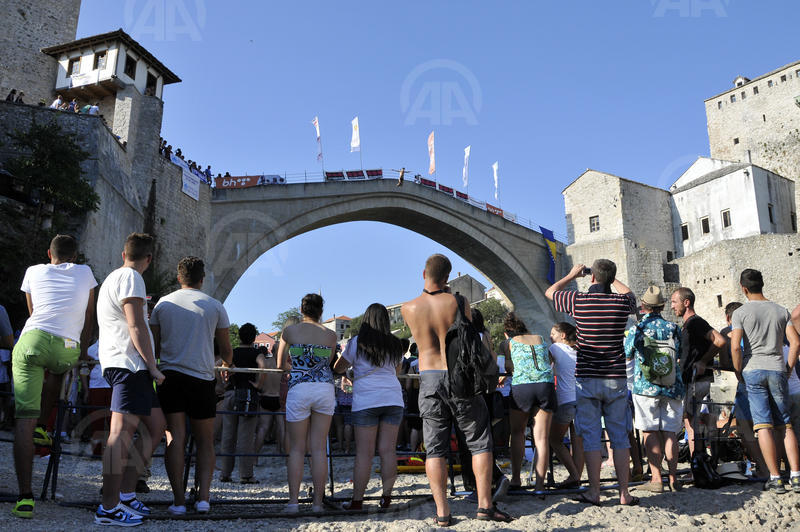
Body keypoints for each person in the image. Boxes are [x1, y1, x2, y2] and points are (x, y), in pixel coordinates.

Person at [401, 254, 512, 524]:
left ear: (423, 274)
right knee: (479, 443)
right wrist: (451, 296)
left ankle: (443, 513)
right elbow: (466, 331)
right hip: (459, 378)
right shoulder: (459, 302)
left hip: (429, 378)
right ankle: (485, 506)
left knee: (435, 449)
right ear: (447, 277)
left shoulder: (408, 308)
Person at [10, 235, 96, 519]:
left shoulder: (33, 271)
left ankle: (25, 498)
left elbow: (33, 311)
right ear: (76, 256)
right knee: (59, 367)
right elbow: (88, 314)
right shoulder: (85, 272)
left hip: (33, 339)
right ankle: (43, 427)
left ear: (49, 253)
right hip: (66, 346)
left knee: (23, 418)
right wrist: (83, 350)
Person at [545, 260, 638, 507]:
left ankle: (594, 492)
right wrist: (610, 278)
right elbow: (631, 295)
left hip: (587, 377)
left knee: (591, 438)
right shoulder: (621, 303)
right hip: (615, 377)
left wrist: (573, 274)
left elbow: (550, 292)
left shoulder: (579, 301)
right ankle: (624, 493)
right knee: (619, 437)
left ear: (592, 278)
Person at [149, 256, 233, 515]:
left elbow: (155, 344)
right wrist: (227, 364)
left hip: (170, 376)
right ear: (202, 279)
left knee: (175, 437)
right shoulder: (215, 306)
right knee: (206, 440)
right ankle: (204, 499)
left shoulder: (163, 304)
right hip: (202, 378)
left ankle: (178, 501)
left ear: (179, 278)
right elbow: (226, 349)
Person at [95, 233, 166, 526]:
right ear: (149, 259)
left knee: (156, 426)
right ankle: (108, 507)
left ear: (123, 254)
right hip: (129, 365)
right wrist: (153, 367)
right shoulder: (131, 278)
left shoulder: (115, 277)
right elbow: (136, 325)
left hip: (129, 365)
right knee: (120, 435)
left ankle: (125, 494)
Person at [730, 269, 800, 493]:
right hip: (777, 367)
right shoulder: (781, 310)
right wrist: (788, 368)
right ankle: (796, 476)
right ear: (762, 285)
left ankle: (775, 477)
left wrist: (738, 371)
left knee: (763, 426)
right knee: (785, 424)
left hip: (753, 369)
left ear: (743, 288)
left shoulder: (740, 313)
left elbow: (735, 346)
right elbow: (796, 343)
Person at [334, 303, 404, 510]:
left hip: (366, 400)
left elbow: (339, 367)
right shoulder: (396, 344)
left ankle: (357, 501)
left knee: (364, 453)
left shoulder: (357, 342)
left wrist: (352, 373)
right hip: (393, 398)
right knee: (388, 451)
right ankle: (386, 498)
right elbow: (396, 371)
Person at [276, 294, 338, 513]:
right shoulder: (331, 335)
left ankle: (293, 502)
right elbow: (327, 363)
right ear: (321, 311)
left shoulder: (289, 332)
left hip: (299, 388)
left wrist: (295, 368)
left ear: (301, 310)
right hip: (324, 389)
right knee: (319, 449)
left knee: (296, 449)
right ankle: (318, 504)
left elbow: (280, 364)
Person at [624, 286, 684, 493]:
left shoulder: (638, 329)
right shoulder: (674, 328)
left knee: (649, 431)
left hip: (646, 387)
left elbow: (627, 354)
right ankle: (674, 478)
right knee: (670, 433)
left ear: (643, 306)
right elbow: (679, 354)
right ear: (663, 306)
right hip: (672, 385)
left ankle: (657, 479)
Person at [500, 312, 555, 495]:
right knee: (542, 438)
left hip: (522, 386)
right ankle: (539, 485)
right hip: (545, 385)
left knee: (517, 432)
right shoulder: (539, 338)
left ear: (507, 333)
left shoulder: (508, 343)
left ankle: (516, 479)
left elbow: (508, 366)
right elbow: (551, 360)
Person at [670, 287, 726, 455]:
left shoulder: (695, 322)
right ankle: (700, 458)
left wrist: (702, 361)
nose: (672, 306)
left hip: (696, 380)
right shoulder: (689, 325)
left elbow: (719, 340)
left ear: (686, 303)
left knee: (690, 420)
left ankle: (697, 460)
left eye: (674, 302)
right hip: (693, 380)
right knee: (692, 420)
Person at [721, 302, 768, 478]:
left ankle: (763, 467)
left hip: (745, 380)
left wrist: (737, 371)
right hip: (767, 374)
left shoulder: (728, 332)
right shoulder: (756, 329)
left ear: (728, 317)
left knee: (744, 427)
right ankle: (779, 468)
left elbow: (727, 360)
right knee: (769, 425)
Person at [220, 323, 266, 484]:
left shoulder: (232, 352)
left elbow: (220, 364)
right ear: (254, 338)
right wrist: (258, 385)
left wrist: (225, 381)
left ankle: (225, 473)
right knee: (245, 437)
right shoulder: (256, 353)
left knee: (228, 436)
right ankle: (246, 475)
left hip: (230, 393)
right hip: (248, 395)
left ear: (239, 336)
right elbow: (263, 366)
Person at [548, 321, 583, 488]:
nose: (550, 337)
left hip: (566, 400)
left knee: (554, 440)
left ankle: (574, 475)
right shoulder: (579, 351)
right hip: (582, 399)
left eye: (553, 334)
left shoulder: (556, 348)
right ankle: (577, 478)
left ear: (562, 335)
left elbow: (546, 366)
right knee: (578, 442)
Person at [254, 344, 286, 458]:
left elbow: (259, 380)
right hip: (278, 398)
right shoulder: (282, 366)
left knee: (263, 428)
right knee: (281, 427)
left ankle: (255, 457)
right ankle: (280, 451)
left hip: (266, 396)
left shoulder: (265, 363)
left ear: (271, 351)